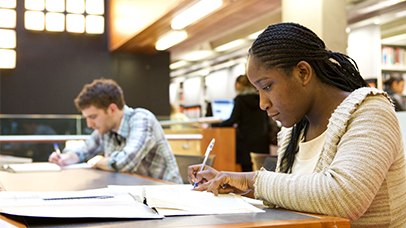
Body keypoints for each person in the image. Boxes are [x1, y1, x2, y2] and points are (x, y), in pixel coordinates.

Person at [188, 22, 406, 227]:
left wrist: (251, 179)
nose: (263, 104)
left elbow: (344, 198)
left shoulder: (371, 111)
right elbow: (296, 196)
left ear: (303, 73)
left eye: (267, 87)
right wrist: (236, 188)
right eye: (258, 91)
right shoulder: (295, 129)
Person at [49, 78, 182, 184]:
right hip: (135, 195)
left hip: (167, 197)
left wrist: (97, 162)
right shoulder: (106, 129)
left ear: (112, 109)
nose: (89, 124)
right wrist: (65, 158)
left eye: (93, 117)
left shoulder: (142, 119)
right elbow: (83, 152)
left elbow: (125, 162)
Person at [212, 74, 275, 171]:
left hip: (245, 142)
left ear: (238, 84)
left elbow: (232, 121)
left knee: (246, 172)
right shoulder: (261, 98)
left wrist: (214, 125)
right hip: (262, 140)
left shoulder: (240, 100)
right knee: (262, 170)